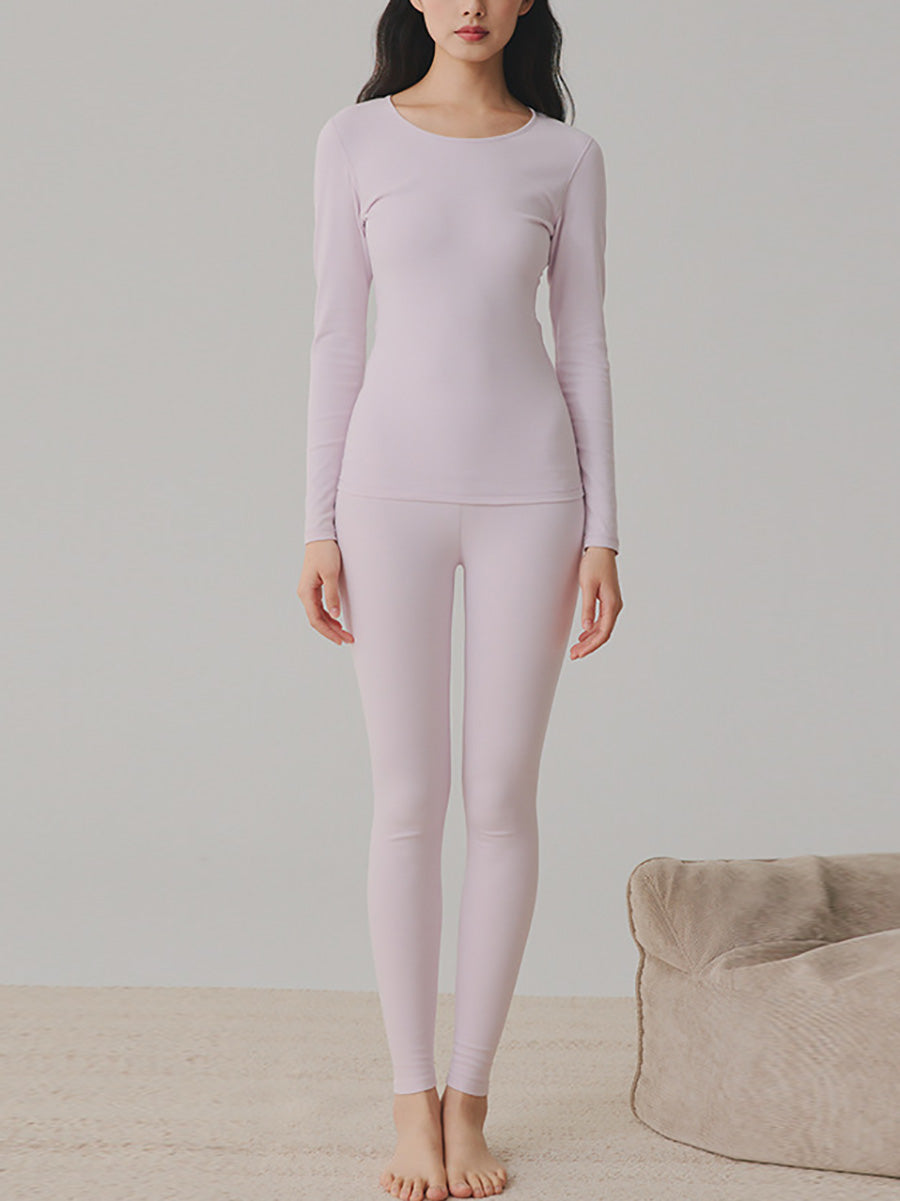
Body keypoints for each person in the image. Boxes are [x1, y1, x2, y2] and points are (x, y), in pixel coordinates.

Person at [297, 2, 624, 1197]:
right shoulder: (355, 139)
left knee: (499, 795)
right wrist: (317, 519)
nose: (472, 3)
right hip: (386, 496)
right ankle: (409, 1103)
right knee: (407, 798)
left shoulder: (566, 156)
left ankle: (470, 1099)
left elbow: (582, 343)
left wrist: (605, 530)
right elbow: (336, 337)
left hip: (534, 498)